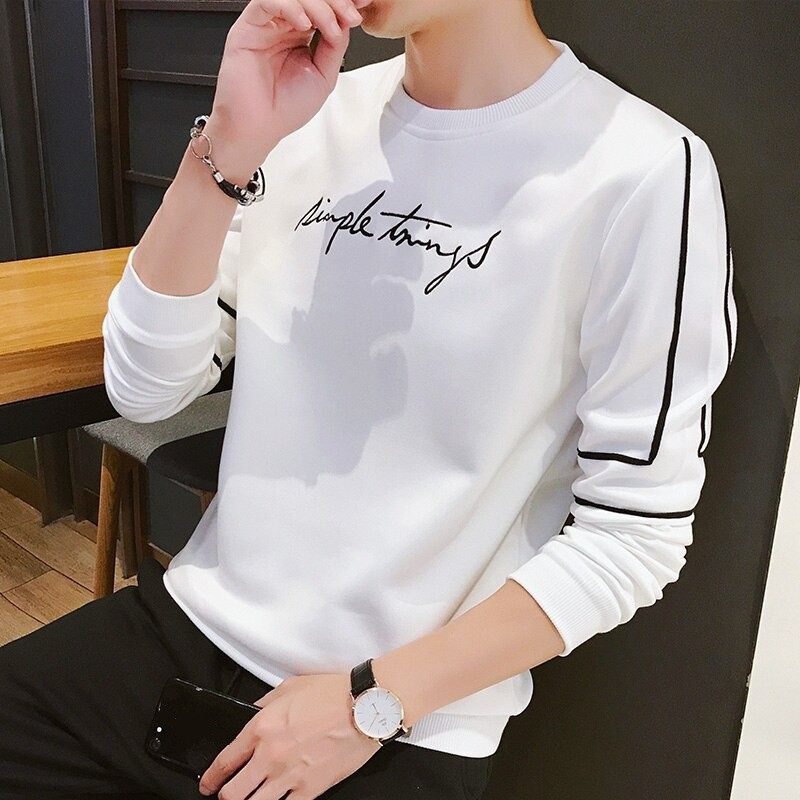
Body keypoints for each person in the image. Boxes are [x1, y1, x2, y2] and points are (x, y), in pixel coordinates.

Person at [0, 0, 738, 798]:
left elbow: (635, 534)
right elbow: (145, 389)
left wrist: (371, 703)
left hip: (403, 716)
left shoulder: (644, 169)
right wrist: (228, 145)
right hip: (191, 628)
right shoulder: (308, 114)